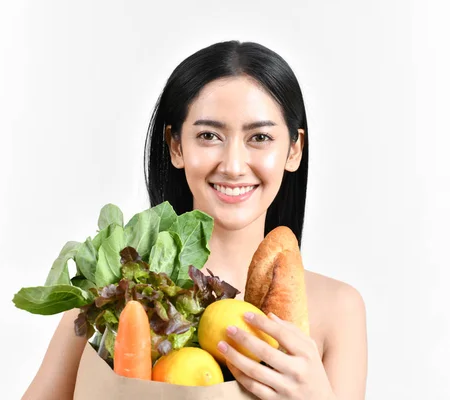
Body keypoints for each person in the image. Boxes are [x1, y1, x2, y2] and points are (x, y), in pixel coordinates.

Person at [22, 40, 368, 400]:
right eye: (209, 136)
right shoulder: (112, 294)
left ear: (294, 149)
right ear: (175, 146)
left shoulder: (338, 310)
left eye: (260, 137)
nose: (233, 165)